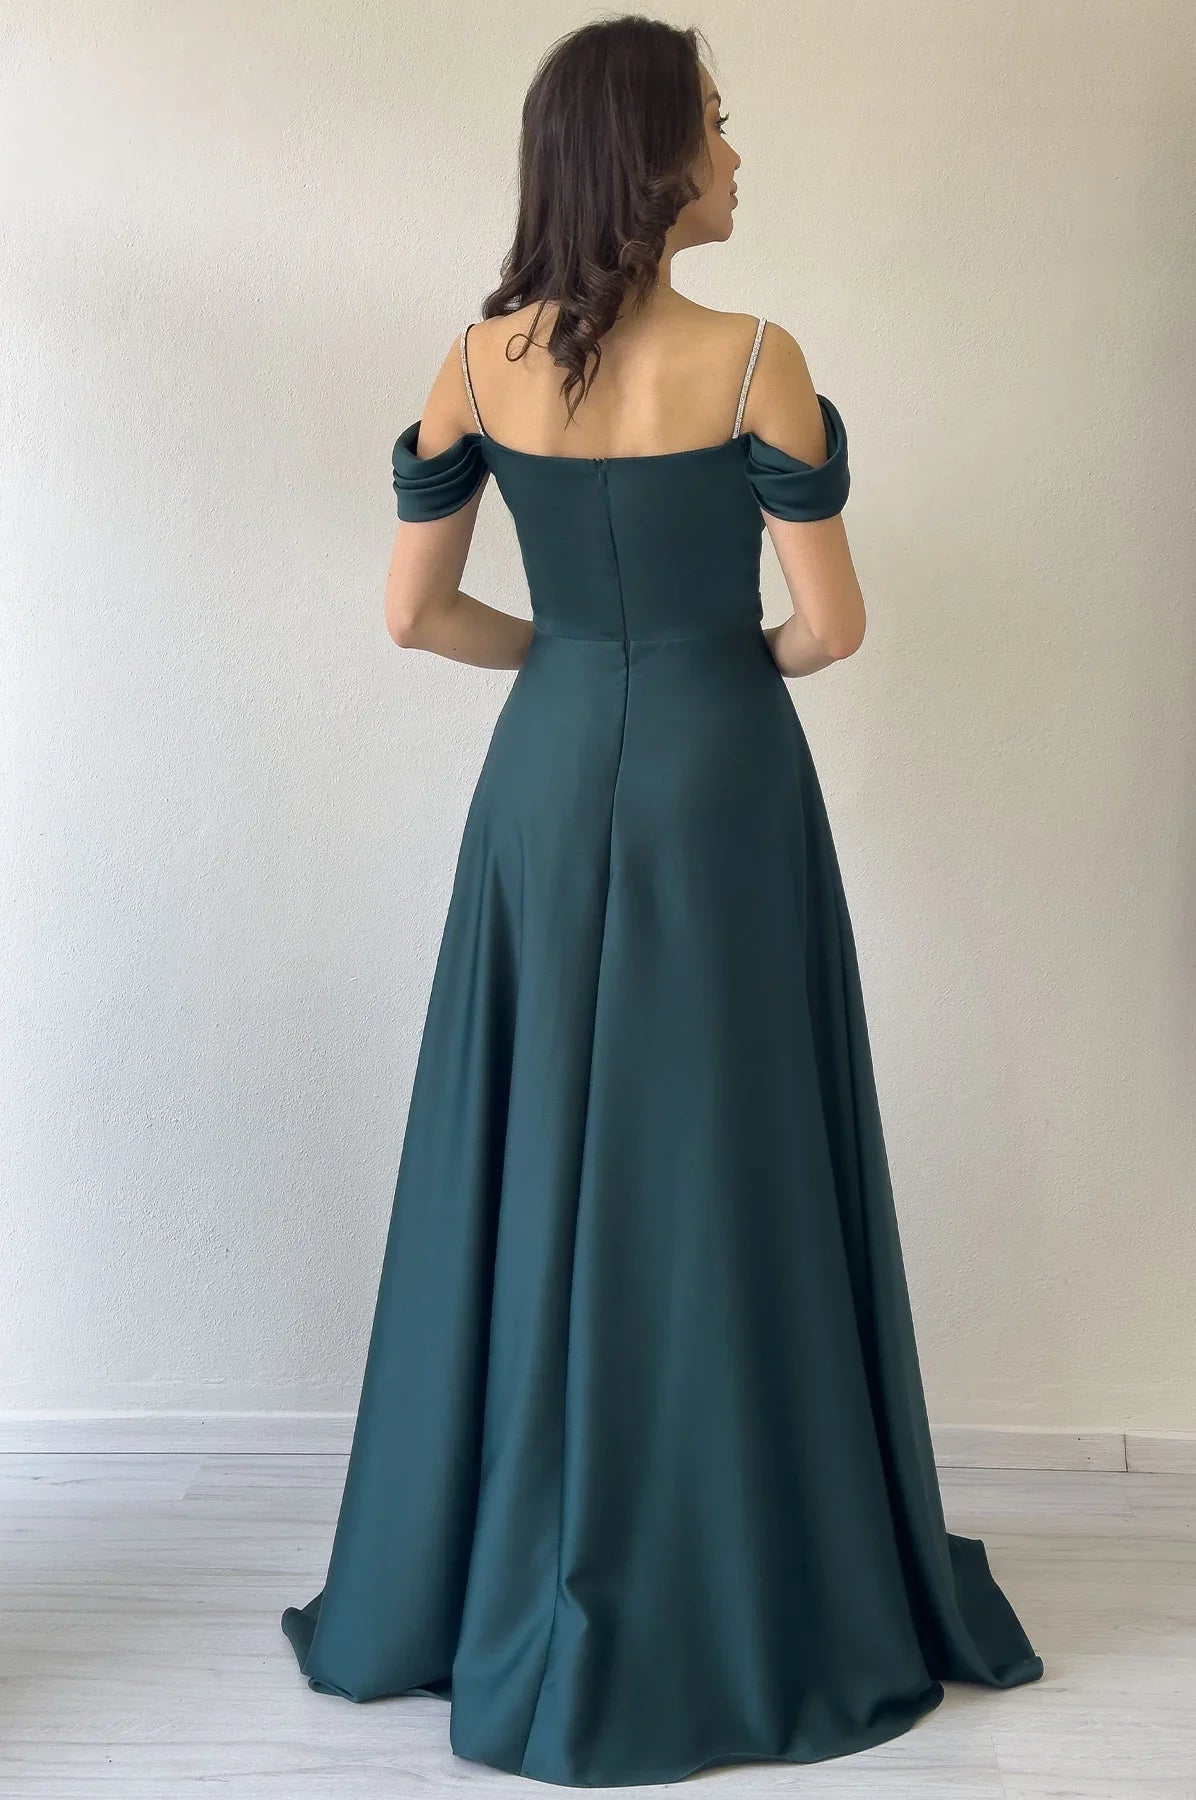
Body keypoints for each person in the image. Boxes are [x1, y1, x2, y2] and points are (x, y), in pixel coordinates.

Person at [281, 14, 1044, 1787]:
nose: (735, 152)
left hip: (547, 784)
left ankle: (510, 1555)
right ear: (648, 158)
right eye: (715, 121)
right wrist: (707, 663)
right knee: (728, 1158)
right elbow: (833, 628)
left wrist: (575, 662)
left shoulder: (472, 365)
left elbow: (412, 614)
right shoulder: (760, 357)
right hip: (724, 782)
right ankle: (744, 1560)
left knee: (537, 1147)